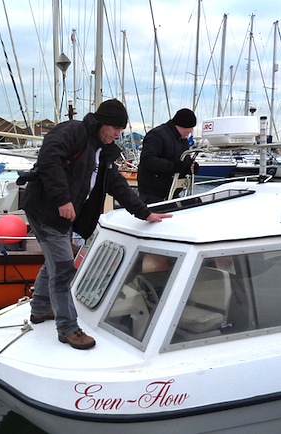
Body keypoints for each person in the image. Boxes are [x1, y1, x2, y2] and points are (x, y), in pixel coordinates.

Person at [20, 98, 172, 350]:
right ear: (103, 123)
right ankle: (68, 328)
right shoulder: (73, 131)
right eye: (115, 128)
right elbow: (49, 158)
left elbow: (117, 186)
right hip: (46, 210)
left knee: (55, 262)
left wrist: (144, 213)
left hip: (64, 215)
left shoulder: (105, 151)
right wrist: (62, 199)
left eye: (121, 129)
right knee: (63, 268)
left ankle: (40, 309)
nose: (118, 133)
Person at [137, 108, 197, 203]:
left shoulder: (183, 140)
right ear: (183, 125)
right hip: (153, 195)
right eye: (190, 128)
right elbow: (147, 160)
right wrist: (174, 166)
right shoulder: (157, 135)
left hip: (172, 193)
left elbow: (183, 161)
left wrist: (190, 166)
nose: (191, 131)